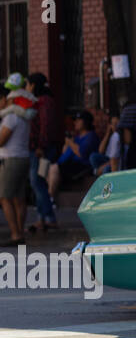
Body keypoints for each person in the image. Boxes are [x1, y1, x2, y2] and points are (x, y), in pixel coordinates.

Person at [25, 72, 60, 231]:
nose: (26, 88)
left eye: (28, 84)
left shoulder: (43, 102)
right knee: (39, 181)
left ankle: (47, 217)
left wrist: (40, 146)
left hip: (40, 149)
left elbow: (45, 126)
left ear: (33, 85)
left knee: (37, 181)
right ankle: (42, 218)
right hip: (42, 148)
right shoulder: (45, 101)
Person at [0, 90, 31, 246]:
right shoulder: (24, 117)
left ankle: (15, 234)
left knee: (5, 197)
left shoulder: (10, 117)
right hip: (23, 157)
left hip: (11, 159)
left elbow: (1, 140)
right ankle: (19, 232)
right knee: (19, 198)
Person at [45, 112, 98, 202]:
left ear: (86, 122)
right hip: (68, 164)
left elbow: (82, 153)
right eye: (75, 120)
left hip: (81, 166)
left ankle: (50, 198)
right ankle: (45, 196)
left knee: (54, 168)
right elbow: (64, 154)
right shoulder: (76, 137)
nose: (75, 122)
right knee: (46, 167)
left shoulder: (90, 136)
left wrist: (70, 143)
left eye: (78, 120)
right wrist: (67, 144)